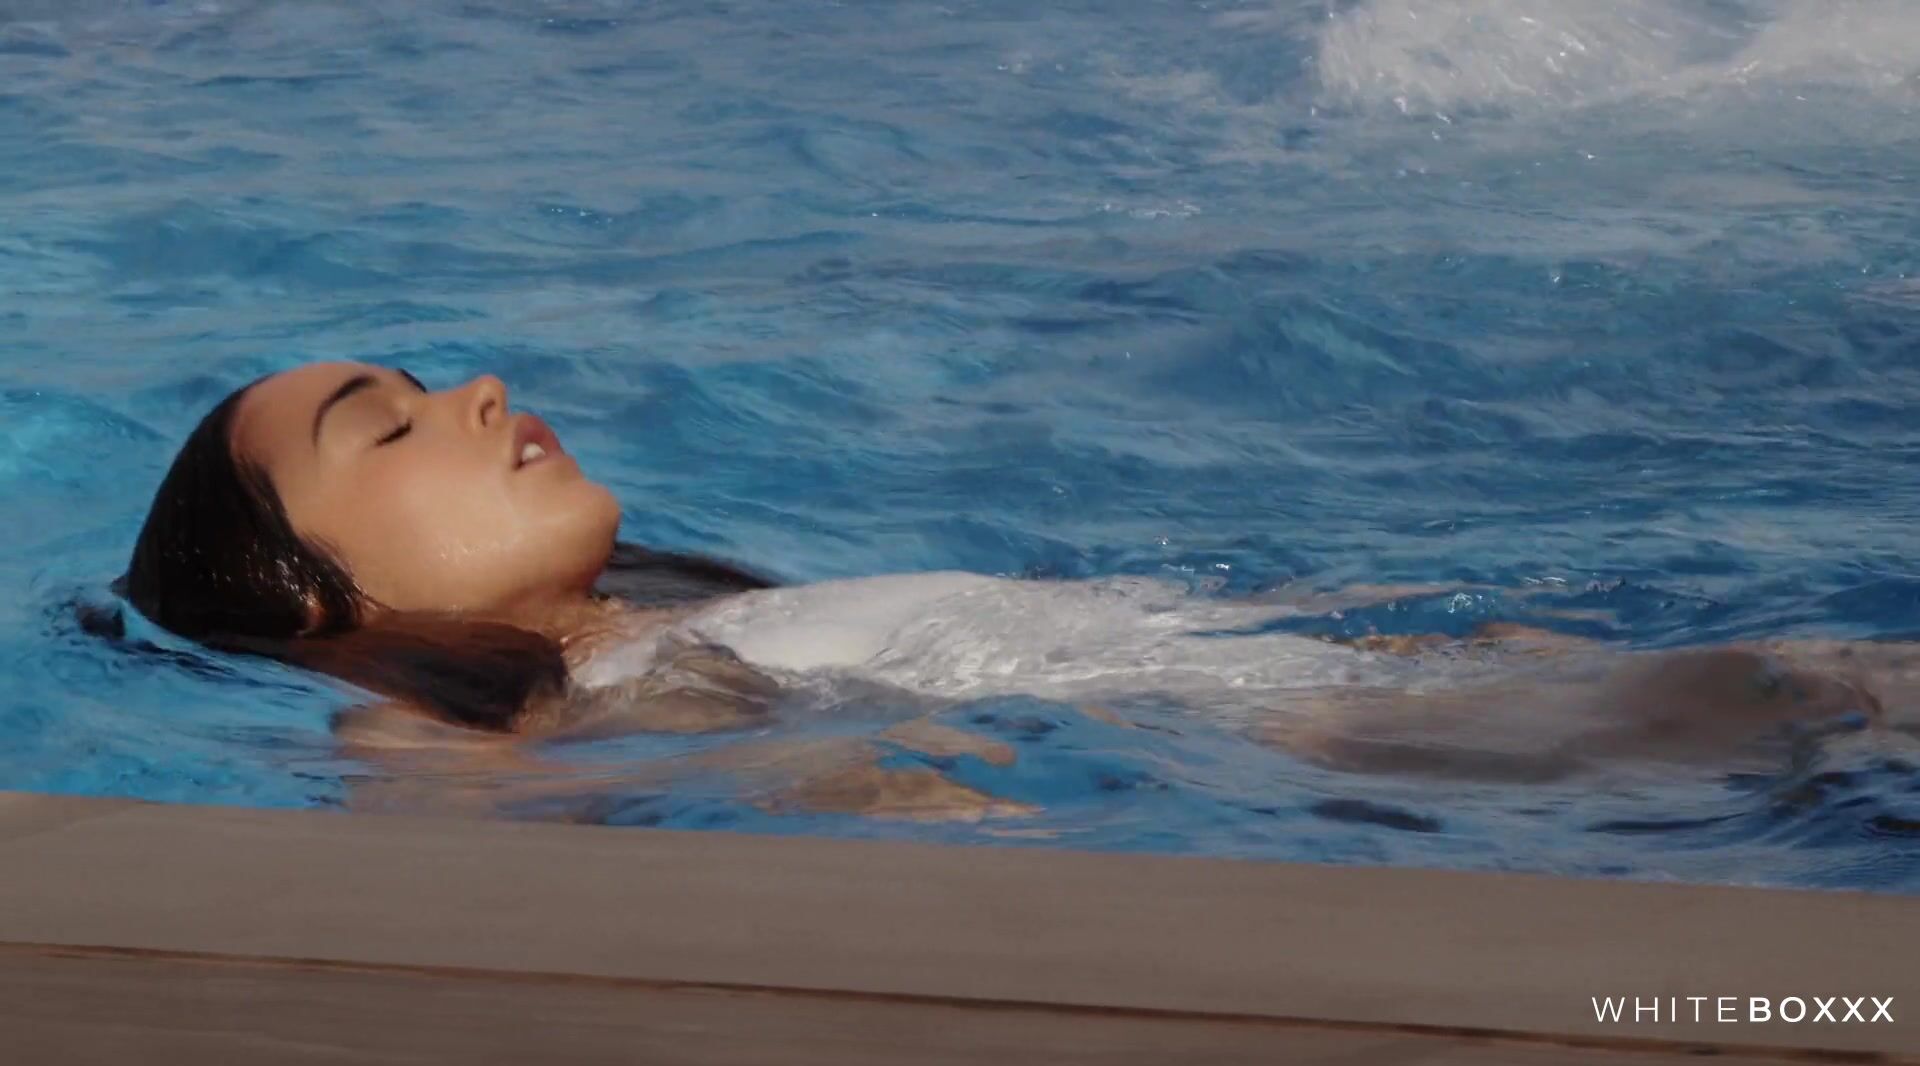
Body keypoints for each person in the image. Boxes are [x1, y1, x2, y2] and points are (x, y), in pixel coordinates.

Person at [108, 361, 1914, 789]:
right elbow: (421, 809)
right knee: (1812, 689)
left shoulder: (672, 628)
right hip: (1370, 748)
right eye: (390, 426)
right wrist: (856, 783)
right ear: (316, 594)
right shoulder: (566, 709)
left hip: (1397, 692)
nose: (482, 389)